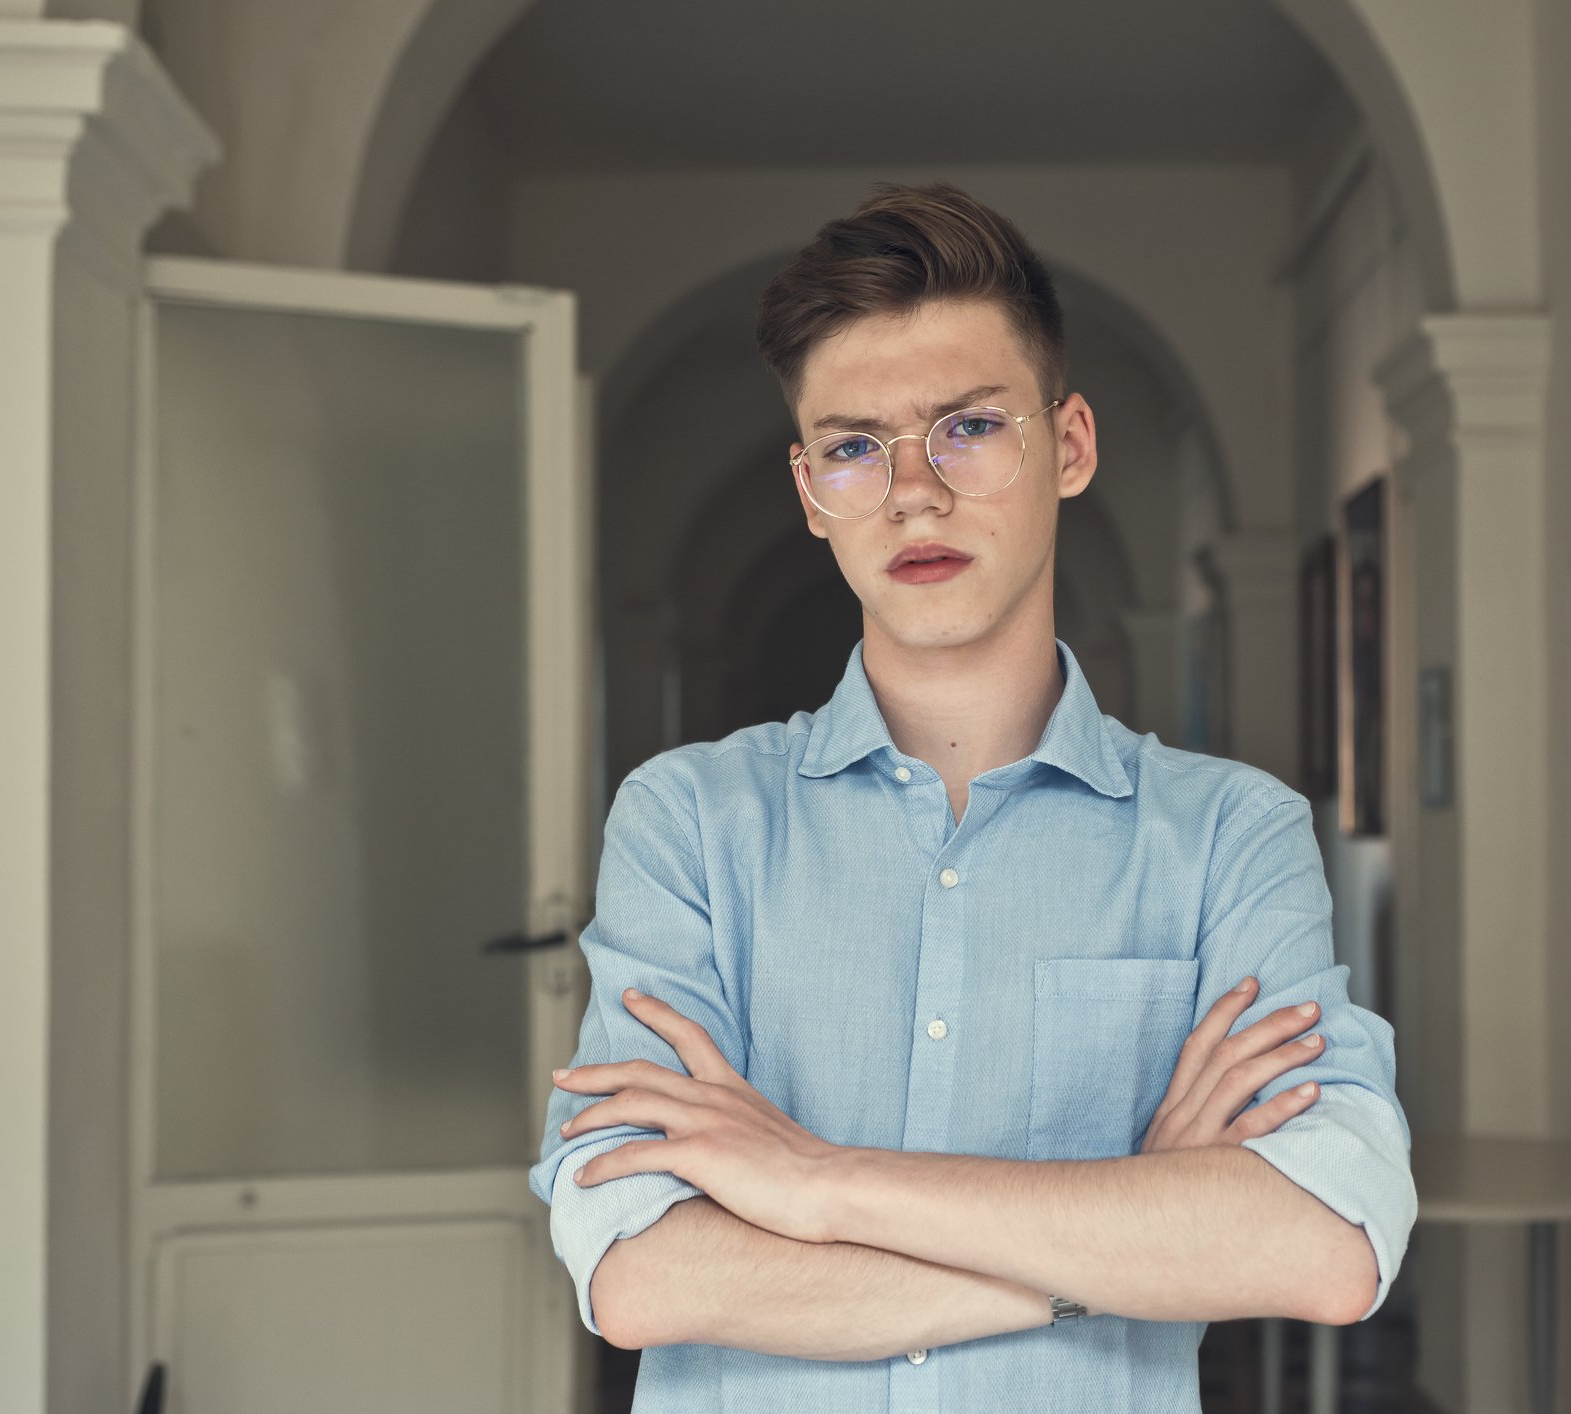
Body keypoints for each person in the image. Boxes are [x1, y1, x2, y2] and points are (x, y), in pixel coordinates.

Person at [528, 182, 1415, 1412]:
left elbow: (1326, 1239)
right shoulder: (687, 821)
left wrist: (819, 1182)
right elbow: (638, 1271)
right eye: (852, 446)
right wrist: (1115, 1236)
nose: (913, 492)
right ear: (808, 491)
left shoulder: (1229, 837)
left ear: (1070, 444)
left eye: (968, 427)